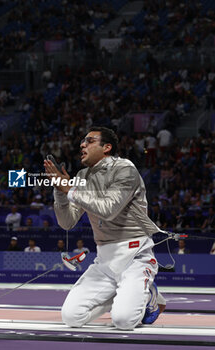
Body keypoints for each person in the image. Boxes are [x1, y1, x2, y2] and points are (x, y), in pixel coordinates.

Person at [44, 126, 166, 331]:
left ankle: (149, 296)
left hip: (135, 256)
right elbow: (67, 222)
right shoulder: (83, 175)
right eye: (82, 141)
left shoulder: (125, 169)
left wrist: (70, 189)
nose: (82, 144)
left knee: (124, 321)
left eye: (89, 141)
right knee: (72, 317)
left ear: (107, 147)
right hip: (104, 260)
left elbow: (109, 209)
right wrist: (60, 192)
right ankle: (125, 293)